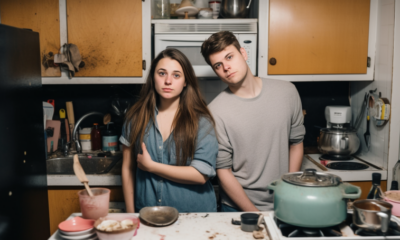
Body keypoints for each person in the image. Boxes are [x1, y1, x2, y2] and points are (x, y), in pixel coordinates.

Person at [201, 31, 305, 212]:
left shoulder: (287, 92)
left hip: (284, 201)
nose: (226, 67)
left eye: (230, 57)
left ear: (243, 53)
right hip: (238, 207)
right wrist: (255, 214)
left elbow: (296, 144)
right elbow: (223, 171)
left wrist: (288, 190)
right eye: (218, 65)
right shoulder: (215, 111)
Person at [120, 48, 218, 213]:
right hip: (148, 214)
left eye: (176, 75)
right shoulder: (136, 117)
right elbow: (127, 168)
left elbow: (201, 175)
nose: (168, 81)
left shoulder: (201, 121)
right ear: (153, 77)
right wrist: (131, 215)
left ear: (185, 81)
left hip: (195, 215)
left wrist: (152, 167)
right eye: (162, 73)